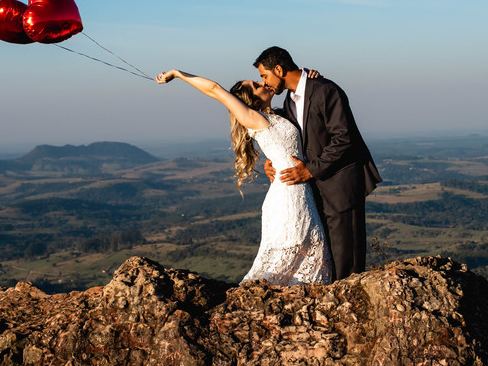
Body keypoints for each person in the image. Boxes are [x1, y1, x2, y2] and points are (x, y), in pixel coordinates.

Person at [155, 69, 333, 285]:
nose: (263, 84)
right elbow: (214, 89)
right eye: (257, 86)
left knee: (311, 254)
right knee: (288, 254)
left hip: (299, 191)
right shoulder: (254, 118)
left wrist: (312, 78)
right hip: (288, 196)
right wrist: (177, 74)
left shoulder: (274, 115)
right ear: (251, 100)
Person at [254, 47, 381, 280]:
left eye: (265, 76)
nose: (265, 83)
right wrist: (273, 160)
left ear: (279, 69)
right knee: (328, 258)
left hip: (340, 186)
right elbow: (291, 138)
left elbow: (344, 139)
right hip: (315, 191)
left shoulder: (326, 90)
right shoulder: (290, 99)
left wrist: (310, 170)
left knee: (347, 261)